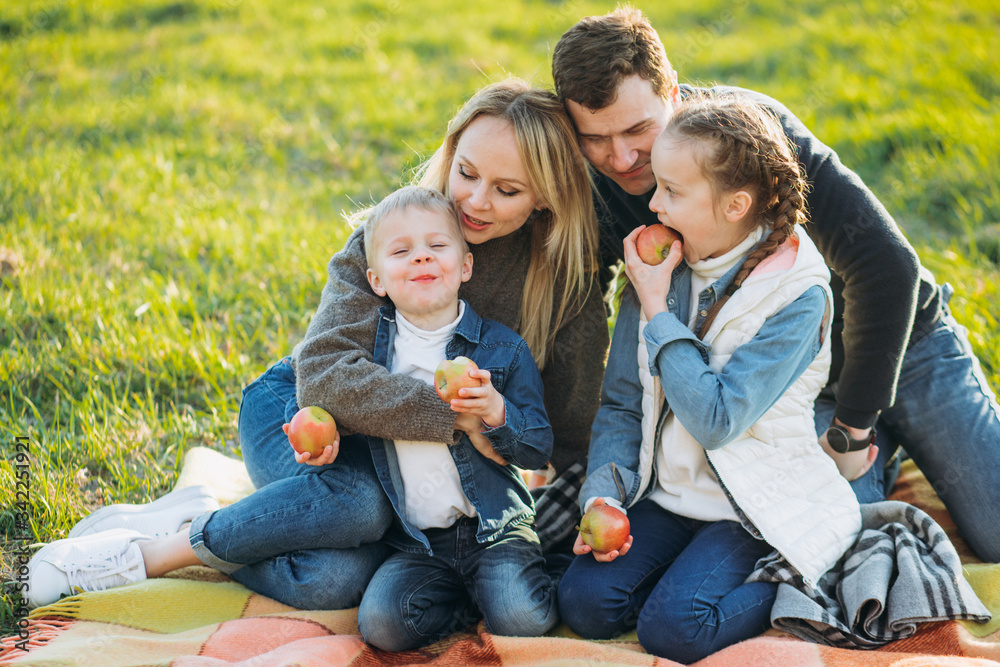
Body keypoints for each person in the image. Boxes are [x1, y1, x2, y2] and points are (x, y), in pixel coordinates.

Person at [23, 79, 606, 611]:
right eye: (467, 174)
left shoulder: (563, 285)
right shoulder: (398, 233)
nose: (475, 201)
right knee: (361, 507)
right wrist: (456, 417)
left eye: (506, 190)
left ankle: (215, 519)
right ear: (450, 157)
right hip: (302, 413)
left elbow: (569, 428)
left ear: (545, 198)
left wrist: (580, 506)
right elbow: (324, 376)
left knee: (333, 581)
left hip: (411, 471)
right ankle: (146, 553)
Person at [552, 6, 1000, 562]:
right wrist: (573, 458)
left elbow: (887, 266)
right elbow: (580, 314)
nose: (621, 158)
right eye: (596, 138)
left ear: (671, 90)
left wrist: (853, 429)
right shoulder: (595, 187)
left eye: (638, 129)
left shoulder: (750, 134)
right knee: (836, 555)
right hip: (781, 388)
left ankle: (879, 432)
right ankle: (882, 456)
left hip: (903, 344)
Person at [557, 94, 862, 663]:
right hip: (669, 493)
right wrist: (604, 495)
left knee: (675, 630)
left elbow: (717, 420)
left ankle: (793, 571)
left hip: (749, 506)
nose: (653, 203)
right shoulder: (660, 266)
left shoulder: (796, 294)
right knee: (584, 604)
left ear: (735, 205)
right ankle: (682, 571)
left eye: (673, 191)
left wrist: (659, 313)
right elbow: (624, 402)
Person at [346, 186, 557, 650]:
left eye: (436, 246)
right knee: (382, 625)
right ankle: (468, 602)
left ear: (465, 267)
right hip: (419, 541)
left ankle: (514, 582)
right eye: (402, 251)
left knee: (521, 618)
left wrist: (496, 412)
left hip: (495, 528)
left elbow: (538, 447)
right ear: (377, 280)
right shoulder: (369, 360)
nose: (421, 258)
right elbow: (343, 414)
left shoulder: (502, 350)